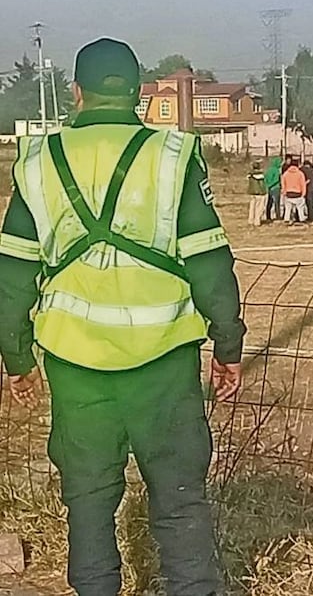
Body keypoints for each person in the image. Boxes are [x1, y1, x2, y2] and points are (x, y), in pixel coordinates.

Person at [0, 37, 245, 596]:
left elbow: (12, 276)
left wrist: (17, 358)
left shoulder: (37, 162)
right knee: (181, 504)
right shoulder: (173, 156)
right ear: (138, 93)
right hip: (164, 364)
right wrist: (227, 347)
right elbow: (211, 265)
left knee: (87, 507)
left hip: (75, 365)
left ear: (76, 92)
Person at [281, 159, 308, 223]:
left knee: (288, 208)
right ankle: (302, 218)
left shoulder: (285, 174)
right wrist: (303, 194)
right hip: (298, 194)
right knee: (300, 207)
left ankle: (287, 219)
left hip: (288, 194)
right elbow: (303, 184)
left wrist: (284, 192)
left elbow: (283, 184)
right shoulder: (300, 173)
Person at [247, 160, 267, 226]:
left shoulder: (250, 175)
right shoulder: (260, 175)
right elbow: (262, 185)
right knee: (259, 208)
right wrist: (264, 191)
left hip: (251, 192)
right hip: (259, 193)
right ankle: (257, 221)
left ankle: (250, 220)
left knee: (252, 207)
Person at [264, 155, 283, 222]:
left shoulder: (268, 170)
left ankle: (268, 216)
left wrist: (267, 185)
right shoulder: (276, 170)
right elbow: (276, 180)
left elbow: (265, 179)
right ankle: (278, 216)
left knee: (269, 203)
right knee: (277, 203)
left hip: (269, 189)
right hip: (276, 188)